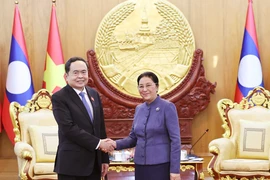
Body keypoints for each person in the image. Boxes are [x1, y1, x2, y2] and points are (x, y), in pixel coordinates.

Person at [52, 57, 115, 180]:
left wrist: (104, 159)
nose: (80, 76)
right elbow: (69, 129)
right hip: (72, 166)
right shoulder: (59, 98)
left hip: (94, 165)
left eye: (83, 72)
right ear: (66, 76)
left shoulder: (94, 94)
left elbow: (100, 127)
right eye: (75, 73)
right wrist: (99, 144)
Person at [112, 71, 181, 180]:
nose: (144, 89)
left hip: (161, 166)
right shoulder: (139, 109)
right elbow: (133, 138)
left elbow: (175, 140)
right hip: (140, 166)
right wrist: (114, 144)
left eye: (148, 85)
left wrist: (175, 170)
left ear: (157, 87)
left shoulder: (167, 107)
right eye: (141, 86)